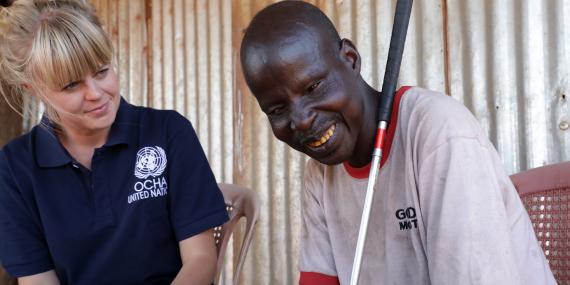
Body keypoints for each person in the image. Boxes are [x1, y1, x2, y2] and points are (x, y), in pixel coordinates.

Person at [240, 1, 556, 284]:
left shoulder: (438, 132)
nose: (302, 120)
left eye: (313, 87)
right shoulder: (320, 175)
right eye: (277, 110)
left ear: (349, 60)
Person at [0, 0, 228, 284]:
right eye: (71, 85)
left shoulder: (168, 132)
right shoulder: (14, 168)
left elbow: (201, 259)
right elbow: (37, 279)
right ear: (33, 89)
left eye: (101, 71)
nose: (96, 93)